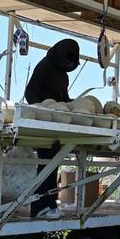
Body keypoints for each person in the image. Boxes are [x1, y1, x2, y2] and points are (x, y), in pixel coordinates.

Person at [24, 39, 81, 219]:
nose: (68, 65)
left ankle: (49, 204)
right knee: (46, 166)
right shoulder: (45, 66)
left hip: (56, 127)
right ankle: (39, 206)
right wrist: (43, 110)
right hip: (44, 126)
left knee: (52, 166)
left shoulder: (63, 74)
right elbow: (30, 92)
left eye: (71, 62)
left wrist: (73, 105)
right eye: (67, 60)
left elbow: (63, 97)